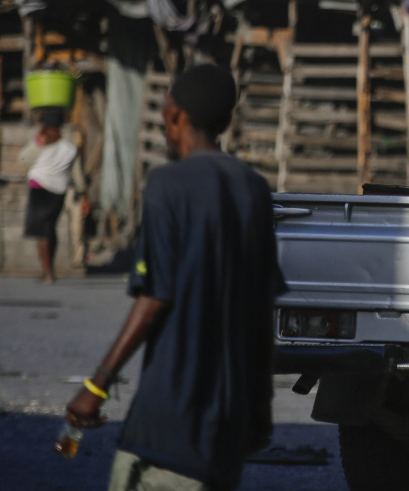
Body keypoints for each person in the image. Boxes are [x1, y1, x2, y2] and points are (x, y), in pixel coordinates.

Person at [65, 64, 286, 491]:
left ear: (174, 114)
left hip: (169, 419)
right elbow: (262, 313)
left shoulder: (167, 184)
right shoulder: (253, 188)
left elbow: (154, 297)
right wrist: (259, 409)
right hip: (227, 424)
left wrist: (97, 385)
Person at [19, 108, 87, 284]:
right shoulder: (70, 148)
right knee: (50, 229)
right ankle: (50, 270)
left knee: (42, 233)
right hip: (59, 192)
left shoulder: (42, 144)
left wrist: (38, 143)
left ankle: (47, 272)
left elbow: (23, 159)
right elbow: (78, 174)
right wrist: (83, 194)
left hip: (39, 190)